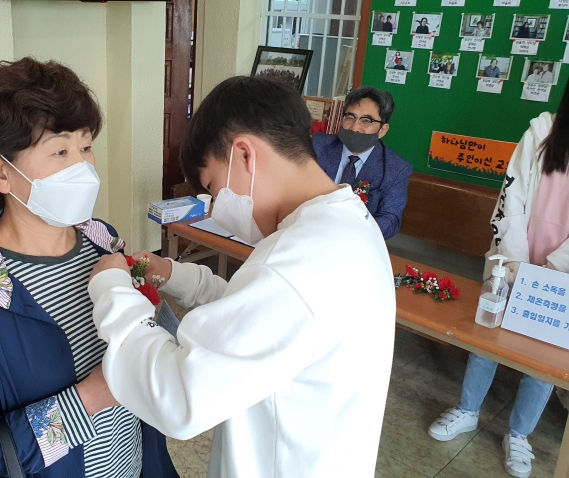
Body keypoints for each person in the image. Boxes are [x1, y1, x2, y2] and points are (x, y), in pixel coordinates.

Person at [86, 76, 396, 478]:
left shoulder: (294, 264)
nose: (218, 209)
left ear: (245, 154)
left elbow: (178, 397)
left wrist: (112, 290)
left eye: (214, 189)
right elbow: (256, 315)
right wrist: (173, 273)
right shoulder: (346, 221)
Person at [0, 58, 178, 478]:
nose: (83, 167)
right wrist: (96, 394)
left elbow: (151, 353)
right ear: (0, 171)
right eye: (60, 151)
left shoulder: (104, 243)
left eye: (86, 147)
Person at [428, 80, 569, 478]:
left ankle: (520, 434)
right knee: (488, 333)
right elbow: (513, 196)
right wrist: (518, 262)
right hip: (513, 255)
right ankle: (468, 409)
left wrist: (551, 272)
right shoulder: (542, 130)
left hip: (561, 273)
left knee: (545, 351)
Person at [312, 86, 413, 239]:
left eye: (366, 121)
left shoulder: (395, 168)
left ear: (382, 130)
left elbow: (390, 219)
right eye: (350, 117)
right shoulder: (317, 146)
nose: (355, 128)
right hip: (309, 230)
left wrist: (352, 233)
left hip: (356, 241)